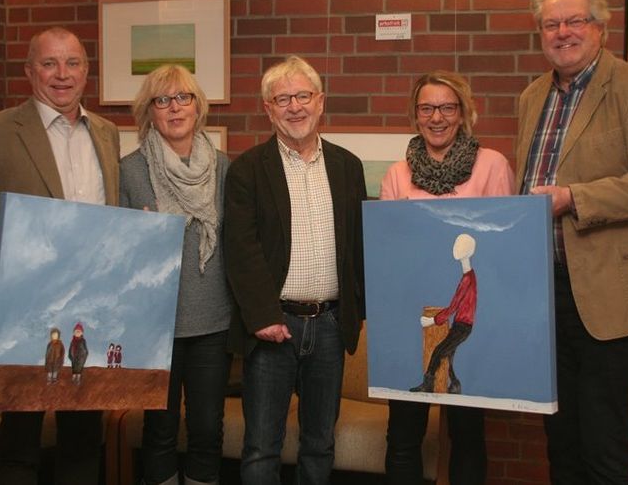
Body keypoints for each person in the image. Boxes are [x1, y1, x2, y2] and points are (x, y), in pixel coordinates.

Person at [516, 0, 628, 484]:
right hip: (548, 298)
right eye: (551, 23)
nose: (562, 32)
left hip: (610, 299)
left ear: (602, 29)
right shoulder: (532, 96)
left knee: (604, 447)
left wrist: (574, 198)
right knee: (561, 444)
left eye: (574, 21)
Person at [0, 26, 119, 485]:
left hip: (90, 305)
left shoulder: (106, 131)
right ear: (29, 71)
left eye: (72, 63)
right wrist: (16, 221)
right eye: (49, 63)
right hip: (24, 306)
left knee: (83, 438)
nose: (62, 75)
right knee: (21, 441)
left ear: (86, 72)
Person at [223, 55, 367, 485]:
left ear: (320, 101)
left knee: (319, 443)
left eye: (303, 95)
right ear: (268, 109)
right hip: (273, 327)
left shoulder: (347, 166)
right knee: (261, 446)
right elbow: (241, 248)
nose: (295, 107)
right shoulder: (248, 169)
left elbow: (358, 246)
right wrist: (262, 316)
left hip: (328, 326)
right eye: (282, 99)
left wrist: (354, 313)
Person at [379, 70, 514, 485]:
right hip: (412, 315)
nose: (436, 117)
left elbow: (504, 247)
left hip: (468, 315)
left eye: (447, 107)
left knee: (467, 433)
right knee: (403, 433)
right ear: (415, 115)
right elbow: (390, 252)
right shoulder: (397, 174)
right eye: (426, 108)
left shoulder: (492, 165)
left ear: (463, 113)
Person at [119, 64, 235, 485]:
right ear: (148, 111)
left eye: (183, 97)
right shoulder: (130, 169)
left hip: (213, 324)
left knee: (207, 429)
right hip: (155, 324)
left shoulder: (223, 168)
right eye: (162, 100)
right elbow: (116, 250)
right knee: (160, 431)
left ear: (198, 107)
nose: (174, 108)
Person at [411, 233, 477, 395]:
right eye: (456, 244)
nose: (455, 248)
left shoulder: (467, 280)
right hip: (461, 324)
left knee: (439, 351)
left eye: (459, 245)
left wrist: (432, 320)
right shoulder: (468, 277)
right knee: (447, 354)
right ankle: (455, 385)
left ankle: (428, 384)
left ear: (468, 251)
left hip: (462, 326)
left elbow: (454, 305)